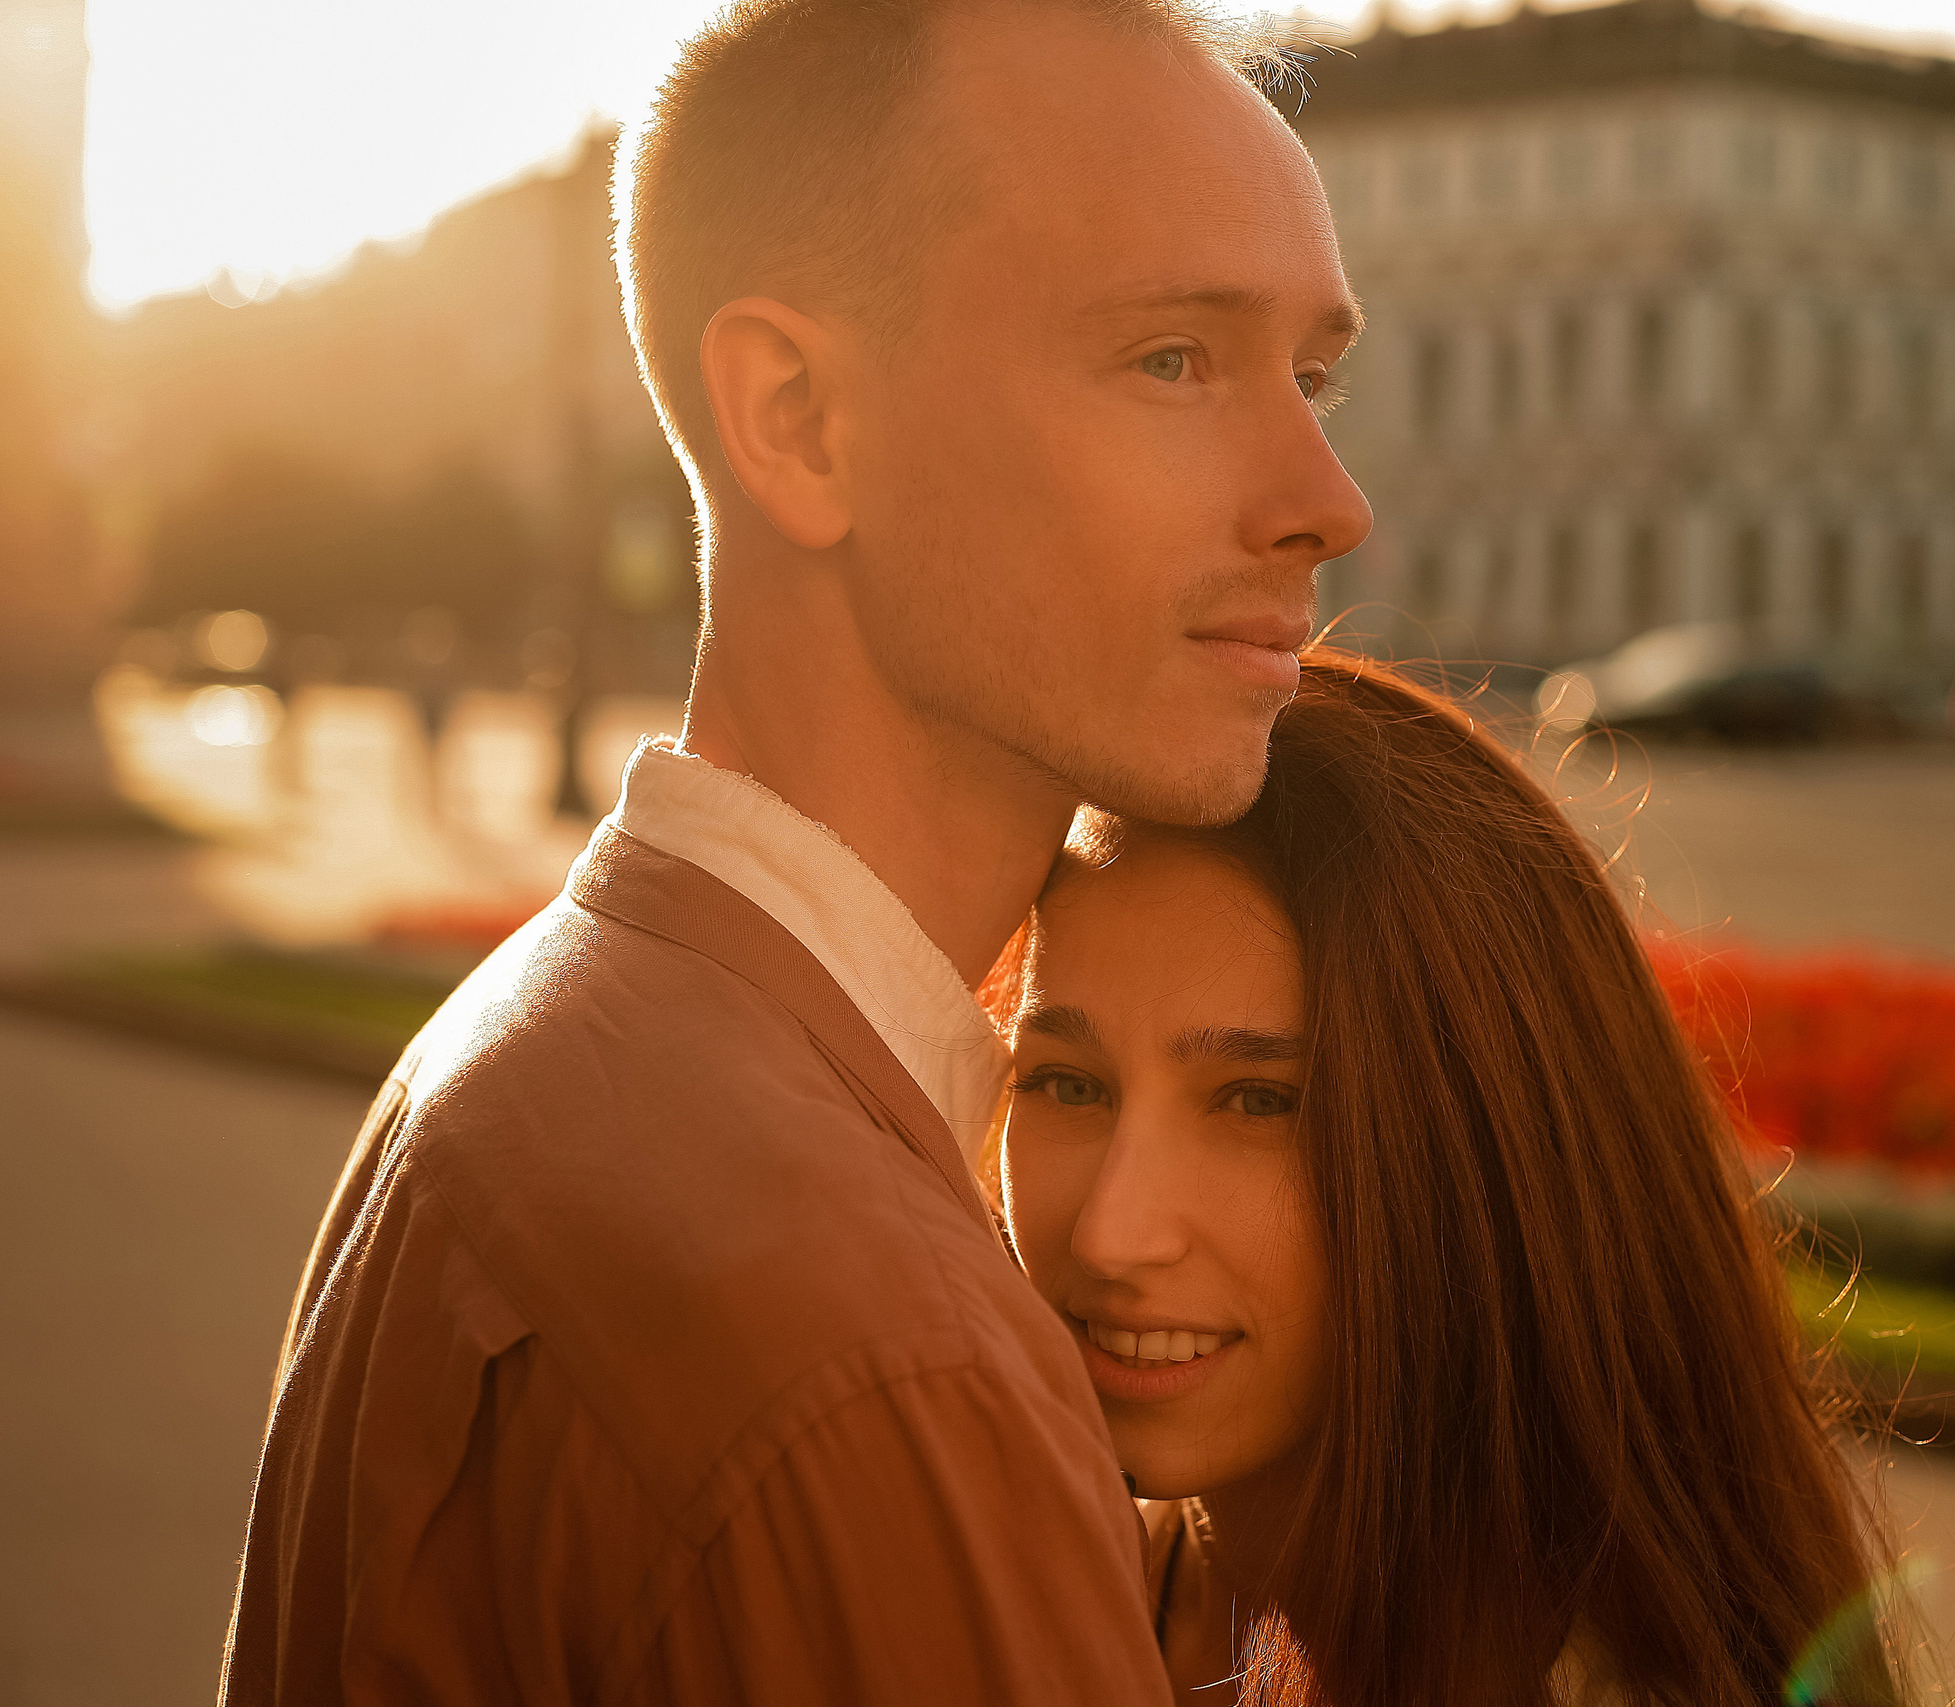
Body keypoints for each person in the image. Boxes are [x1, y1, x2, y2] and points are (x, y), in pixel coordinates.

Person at [218, 0, 1369, 1698]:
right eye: (1172, 359)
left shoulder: (553, 1031)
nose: (1327, 498)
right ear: (801, 417)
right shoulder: (882, 1355)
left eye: (1314, 375)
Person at [998, 652, 1910, 1707]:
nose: (1111, 1234)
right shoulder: (1059, 1577)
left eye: (1260, 1102)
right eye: (1066, 1084)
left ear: (1492, 1147)